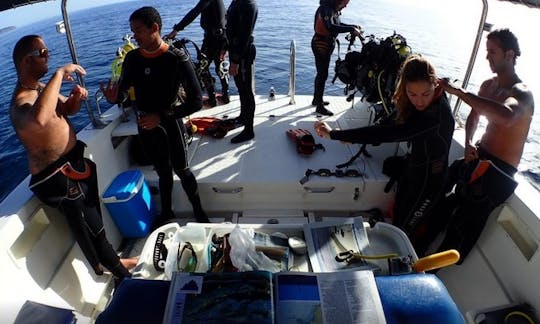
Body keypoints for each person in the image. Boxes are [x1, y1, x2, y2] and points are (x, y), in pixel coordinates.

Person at [9, 35, 138, 280]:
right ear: (27, 61)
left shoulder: (39, 89)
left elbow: (66, 109)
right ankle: (124, 278)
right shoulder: (19, 103)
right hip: (56, 177)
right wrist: (59, 74)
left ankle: (116, 261)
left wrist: (76, 99)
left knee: (95, 221)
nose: (48, 55)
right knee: (92, 228)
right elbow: (39, 120)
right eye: (43, 52)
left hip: (73, 165)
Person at [314, 55, 455, 251]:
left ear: (435, 84)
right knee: (398, 215)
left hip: (429, 183)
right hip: (414, 170)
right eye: (412, 94)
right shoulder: (425, 100)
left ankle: (402, 268)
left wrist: (335, 135)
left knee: (403, 230)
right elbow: (394, 120)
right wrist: (353, 136)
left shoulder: (435, 117)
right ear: (404, 88)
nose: (419, 101)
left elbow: (392, 133)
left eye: (425, 94)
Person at [101, 6, 210, 224]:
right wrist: (115, 98)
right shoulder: (132, 59)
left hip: (170, 123)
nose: (134, 36)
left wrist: (160, 117)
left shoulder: (177, 59)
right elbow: (124, 93)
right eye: (132, 31)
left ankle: (199, 212)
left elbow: (196, 101)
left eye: (138, 31)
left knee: (183, 170)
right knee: (162, 173)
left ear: (155, 28)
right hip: (145, 125)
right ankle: (167, 213)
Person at [433, 28, 534, 262]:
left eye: (492, 52)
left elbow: (507, 116)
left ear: (510, 55)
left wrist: (457, 92)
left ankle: (429, 274)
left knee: (459, 231)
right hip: (477, 156)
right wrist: (468, 143)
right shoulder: (488, 86)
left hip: (498, 173)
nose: (487, 57)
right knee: (438, 196)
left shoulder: (522, 93)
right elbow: (474, 116)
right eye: (487, 51)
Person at [165, 0, 230, 107]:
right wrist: (226, 41)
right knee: (220, 67)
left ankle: (212, 99)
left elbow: (195, 11)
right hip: (220, 37)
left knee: (203, 67)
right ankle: (225, 96)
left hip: (212, 39)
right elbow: (226, 17)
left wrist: (176, 29)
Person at [312, 0, 362, 116]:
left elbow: (338, 25)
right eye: (345, 2)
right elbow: (331, 27)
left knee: (322, 74)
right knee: (322, 74)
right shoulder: (326, 9)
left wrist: (352, 26)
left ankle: (316, 99)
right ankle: (319, 106)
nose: (346, 5)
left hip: (327, 44)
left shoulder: (333, 10)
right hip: (321, 45)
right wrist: (350, 29)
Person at [225, 0, 258, 144]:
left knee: (246, 91)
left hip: (243, 54)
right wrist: (225, 49)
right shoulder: (237, 2)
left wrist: (235, 61)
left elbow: (244, 35)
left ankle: (249, 130)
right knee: (241, 89)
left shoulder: (248, 4)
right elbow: (231, 28)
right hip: (236, 51)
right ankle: (243, 117)